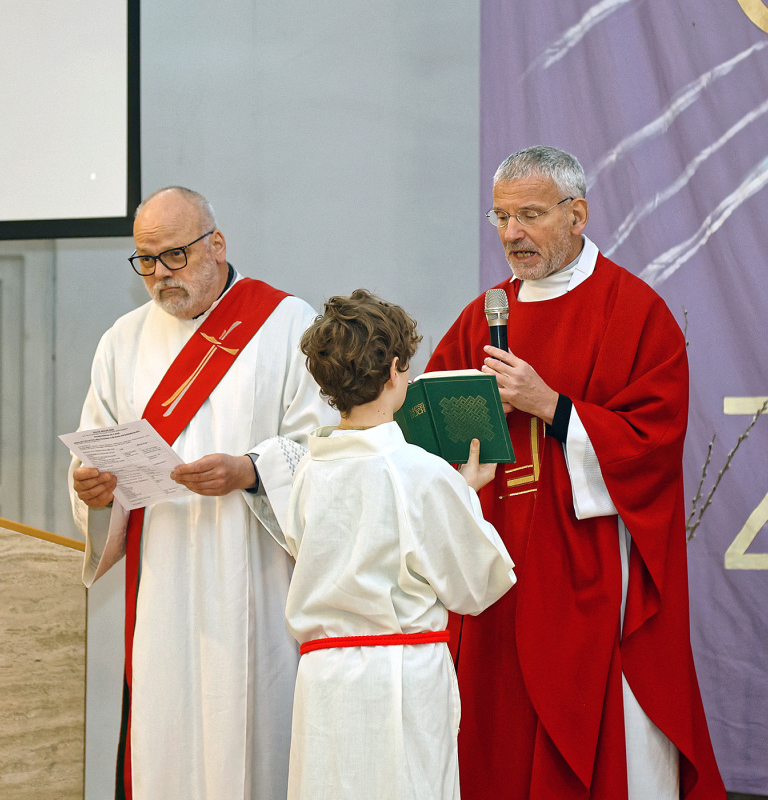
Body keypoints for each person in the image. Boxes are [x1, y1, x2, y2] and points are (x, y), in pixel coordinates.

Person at [426, 146, 726, 799]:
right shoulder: (483, 315)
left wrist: (550, 405)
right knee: (495, 736)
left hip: (586, 560)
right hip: (496, 561)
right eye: (501, 217)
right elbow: (432, 433)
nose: (512, 234)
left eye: (530, 215)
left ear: (577, 214)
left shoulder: (633, 310)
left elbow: (653, 442)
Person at [69, 186, 336, 800]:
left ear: (216, 244)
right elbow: (96, 446)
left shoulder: (287, 323)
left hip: (256, 576)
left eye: (175, 255)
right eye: (145, 261)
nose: (160, 274)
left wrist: (250, 470)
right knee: (167, 736)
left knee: (255, 733)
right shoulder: (122, 341)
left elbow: (324, 446)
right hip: (162, 579)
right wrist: (94, 490)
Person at [282, 289, 516, 800]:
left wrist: (454, 491)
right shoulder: (419, 472)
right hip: (398, 678)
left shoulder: (306, 472)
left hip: (323, 680)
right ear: (394, 371)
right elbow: (477, 585)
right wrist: (463, 495)